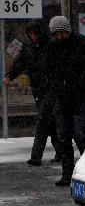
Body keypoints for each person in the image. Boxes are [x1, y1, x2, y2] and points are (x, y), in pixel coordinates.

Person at [43, 16, 85, 186]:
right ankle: (67, 174)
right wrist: (55, 87)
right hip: (60, 99)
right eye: (56, 34)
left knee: (80, 135)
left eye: (62, 33)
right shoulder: (51, 48)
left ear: (68, 30)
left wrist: (79, 82)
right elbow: (46, 70)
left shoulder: (82, 43)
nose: (59, 37)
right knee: (63, 137)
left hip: (81, 97)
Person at [3, 21, 60, 166]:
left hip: (51, 89)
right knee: (50, 122)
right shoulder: (28, 47)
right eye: (31, 34)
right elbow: (19, 63)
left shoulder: (51, 46)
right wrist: (10, 76)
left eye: (35, 34)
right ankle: (61, 152)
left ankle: (36, 156)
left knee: (42, 121)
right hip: (38, 89)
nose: (33, 36)